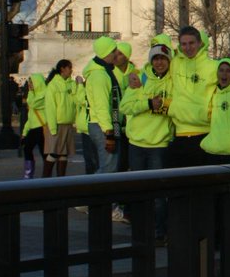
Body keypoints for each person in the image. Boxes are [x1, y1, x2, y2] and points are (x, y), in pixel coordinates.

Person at [121, 43, 174, 242]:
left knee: (159, 194)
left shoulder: (174, 82)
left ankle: (159, 232)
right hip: (137, 144)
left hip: (159, 145)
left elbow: (175, 107)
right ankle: (141, 231)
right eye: (156, 59)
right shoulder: (140, 78)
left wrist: (160, 106)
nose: (159, 63)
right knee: (139, 190)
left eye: (163, 59)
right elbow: (125, 107)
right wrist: (148, 104)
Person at [167, 26, 218, 168]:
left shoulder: (213, 66)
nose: (188, 48)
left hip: (204, 132)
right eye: (184, 44)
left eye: (191, 43)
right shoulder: (174, 63)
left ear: (200, 43)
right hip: (180, 133)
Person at [82, 36, 125, 181]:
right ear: (106, 53)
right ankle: (92, 192)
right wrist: (109, 133)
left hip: (104, 124)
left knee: (110, 166)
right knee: (108, 168)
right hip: (103, 126)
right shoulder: (100, 75)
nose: (116, 53)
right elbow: (101, 106)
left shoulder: (102, 71)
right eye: (114, 51)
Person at [43, 59, 77, 177]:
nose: (71, 70)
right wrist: (52, 128)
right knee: (54, 153)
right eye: (69, 67)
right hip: (57, 124)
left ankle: (61, 180)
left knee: (63, 154)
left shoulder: (71, 83)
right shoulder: (53, 85)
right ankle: (45, 178)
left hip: (68, 123)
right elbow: (50, 107)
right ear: (62, 69)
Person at [20, 73, 49, 179]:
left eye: (32, 83)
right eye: (29, 83)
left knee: (44, 152)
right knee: (28, 149)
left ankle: (46, 174)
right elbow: (30, 117)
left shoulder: (45, 94)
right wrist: (24, 132)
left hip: (41, 127)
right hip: (34, 127)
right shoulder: (33, 94)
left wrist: (31, 92)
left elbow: (33, 104)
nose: (30, 85)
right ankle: (29, 174)